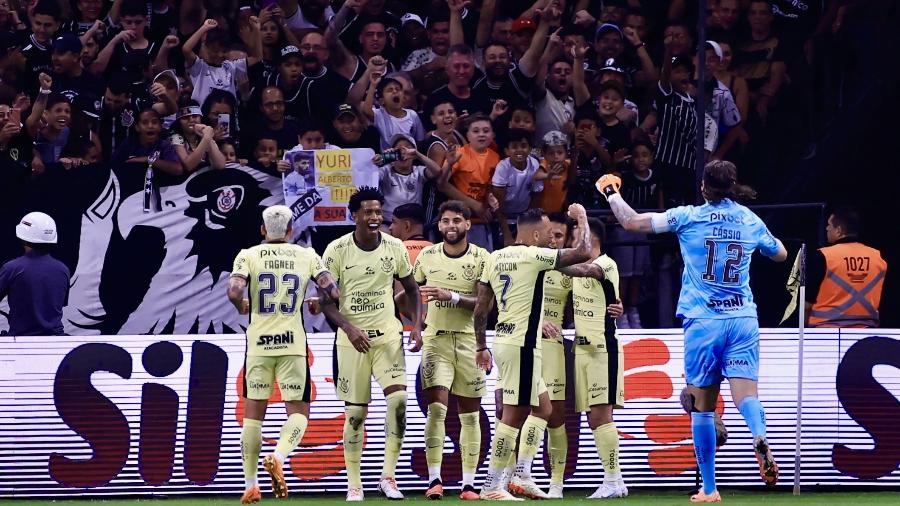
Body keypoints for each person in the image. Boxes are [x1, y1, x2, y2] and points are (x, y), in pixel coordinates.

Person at [598, 160, 789, 502]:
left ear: (704, 187)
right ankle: (759, 435)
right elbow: (780, 253)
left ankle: (710, 489)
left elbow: (630, 221)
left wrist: (611, 191)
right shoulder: (749, 219)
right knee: (747, 394)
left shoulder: (689, 216)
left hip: (704, 321)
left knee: (702, 408)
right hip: (743, 318)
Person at [474, 204, 593, 500]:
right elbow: (584, 253)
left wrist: (480, 345)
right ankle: (491, 486)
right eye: (546, 232)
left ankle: (522, 475)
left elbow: (480, 308)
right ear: (535, 233)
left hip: (504, 340)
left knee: (543, 408)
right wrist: (582, 218)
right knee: (513, 416)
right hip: (522, 344)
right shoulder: (533, 255)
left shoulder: (495, 257)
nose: (550, 238)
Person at [226, 205, 340, 504]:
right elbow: (334, 291)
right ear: (291, 231)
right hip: (292, 345)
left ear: (263, 231)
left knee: (253, 417)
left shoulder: (247, 254)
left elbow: (235, 291)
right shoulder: (307, 255)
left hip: (259, 345)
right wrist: (318, 301)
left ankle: (251, 484)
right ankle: (278, 455)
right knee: (299, 413)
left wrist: (241, 308)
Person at [319, 186, 423, 501]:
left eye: (378, 211)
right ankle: (355, 483)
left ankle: (388, 477)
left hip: (388, 336)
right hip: (353, 342)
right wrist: (349, 328)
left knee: (399, 403)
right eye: (369, 212)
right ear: (355, 215)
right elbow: (326, 303)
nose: (375, 217)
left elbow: (412, 289)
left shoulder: (395, 247)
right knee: (356, 415)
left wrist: (416, 325)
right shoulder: (336, 251)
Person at [414, 200, 489, 501]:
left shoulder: (483, 258)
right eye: (445, 221)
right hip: (436, 341)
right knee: (436, 410)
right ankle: (434, 480)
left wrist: (452, 296)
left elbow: (486, 305)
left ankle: (468, 484)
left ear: (468, 224)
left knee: (469, 416)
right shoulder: (427, 256)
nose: (451, 226)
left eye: (457, 220)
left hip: (470, 341)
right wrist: (416, 325)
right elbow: (410, 291)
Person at [560, 217, 628, 499]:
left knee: (602, 416)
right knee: (593, 419)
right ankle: (616, 481)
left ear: (590, 237)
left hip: (603, 349)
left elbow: (587, 270)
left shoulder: (606, 263)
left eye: (575, 233)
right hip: (582, 350)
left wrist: (546, 260)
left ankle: (613, 480)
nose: (570, 240)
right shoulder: (576, 272)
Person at [806, 207, 888, 328]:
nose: (826, 228)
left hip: (824, 336)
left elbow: (806, 303)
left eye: (829, 225)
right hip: (865, 335)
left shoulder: (823, 256)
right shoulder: (878, 257)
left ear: (839, 230)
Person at [0, 212, 70, 336]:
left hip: (21, 343)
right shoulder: (63, 270)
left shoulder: (12, 268)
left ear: (22, 237)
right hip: (57, 343)